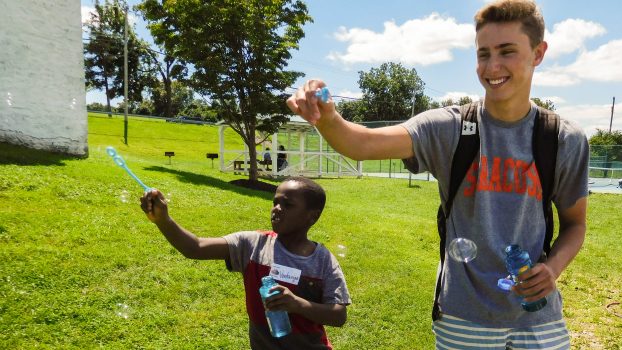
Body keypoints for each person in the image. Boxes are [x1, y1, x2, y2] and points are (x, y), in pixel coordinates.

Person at [286, 0, 588, 348]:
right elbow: (363, 144)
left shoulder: (562, 138)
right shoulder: (450, 128)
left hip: (538, 317)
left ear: (538, 53)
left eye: (507, 51)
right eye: (483, 54)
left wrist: (552, 269)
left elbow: (574, 224)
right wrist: (328, 119)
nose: (492, 66)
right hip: (463, 316)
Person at [140, 177, 351, 349]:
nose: (277, 208)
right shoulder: (252, 244)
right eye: (275, 202)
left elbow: (338, 315)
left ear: (311, 217)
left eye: (287, 204)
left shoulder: (323, 260)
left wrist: (297, 304)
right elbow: (195, 247)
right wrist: (163, 220)